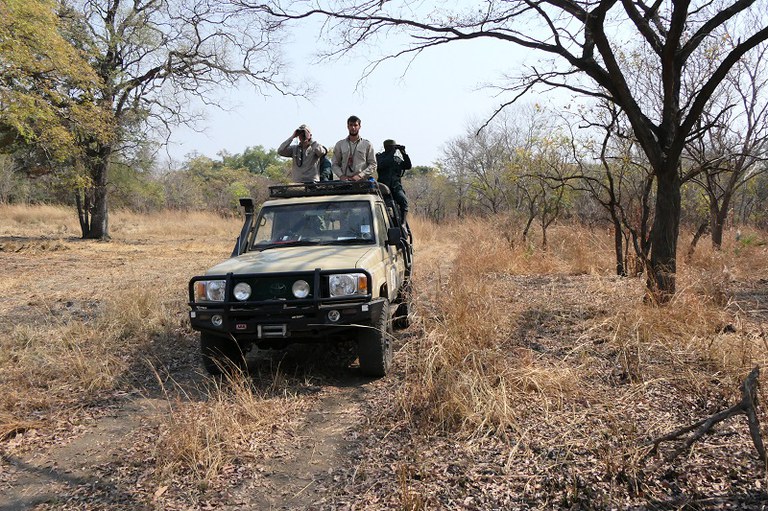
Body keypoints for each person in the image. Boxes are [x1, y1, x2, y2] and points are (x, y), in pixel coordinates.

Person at [376, 139, 412, 226]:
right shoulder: (380, 157)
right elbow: (382, 165)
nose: (393, 149)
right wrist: (392, 152)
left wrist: (403, 153)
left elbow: (408, 166)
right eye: (392, 147)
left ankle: (403, 223)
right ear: (386, 147)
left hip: (395, 186)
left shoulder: (396, 159)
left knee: (403, 201)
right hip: (383, 187)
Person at [332, 115, 377, 181]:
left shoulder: (367, 144)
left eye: (355, 125)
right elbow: (334, 164)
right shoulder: (340, 144)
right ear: (348, 127)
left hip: (362, 182)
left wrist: (360, 175)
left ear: (359, 127)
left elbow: (373, 164)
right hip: (345, 182)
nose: (353, 128)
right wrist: (341, 176)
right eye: (351, 125)